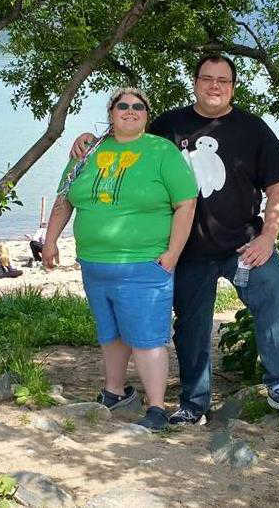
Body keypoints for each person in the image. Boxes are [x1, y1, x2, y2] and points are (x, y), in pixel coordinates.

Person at [71, 55, 279, 423]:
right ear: (195, 83)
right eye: (207, 79)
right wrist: (91, 139)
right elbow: (129, 135)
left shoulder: (252, 129)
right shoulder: (170, 124)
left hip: (244, 244)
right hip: (188, 250)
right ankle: (194, 402)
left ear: (233, 86)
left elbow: (278, 185)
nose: (215, 86)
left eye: (223, 80)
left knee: (275, 303)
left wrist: (269, 236)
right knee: (190, 326)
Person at [43, 87, 197, 431]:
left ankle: (156, 408)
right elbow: (65, 197)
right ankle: (115, 392)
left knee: (147, 337)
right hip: (95, 263)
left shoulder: (161, 151)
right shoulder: (89, 150)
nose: (130, 110)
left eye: (138, 106)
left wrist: (172, 254)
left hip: (144, 264)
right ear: (111, 113)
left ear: (146, 114)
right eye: (122, 105)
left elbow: (186, 203)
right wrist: (50, 240)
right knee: (110, 333)